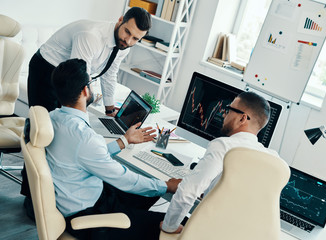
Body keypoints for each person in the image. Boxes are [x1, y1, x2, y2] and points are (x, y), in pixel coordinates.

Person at [21, 6, 151, 211]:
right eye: (127, 32)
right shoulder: (91, 37)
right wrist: (86, 134)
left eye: (136, 39)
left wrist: (110, 110)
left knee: (62, 136)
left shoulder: (123, 45)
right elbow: (80, 77)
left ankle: (56, 193)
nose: (129, 41)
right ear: (120, 20)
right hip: (46, 69)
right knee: (42, 133)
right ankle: (33, 199)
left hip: (69, 75)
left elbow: (110, 73)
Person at [46, 58, 180, 239]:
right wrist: (167, 185)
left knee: (150, 193)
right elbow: (125, 180)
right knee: (172, 223)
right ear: (86, 90)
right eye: (91, 83)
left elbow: (84, 155)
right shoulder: (85, 138)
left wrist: (124, 141)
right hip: (88, 215)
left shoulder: (52, 118)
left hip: (72, 197)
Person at [160, 91, 283, 233]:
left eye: (229, 110)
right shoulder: (273, 159)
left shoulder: (223, 146)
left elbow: (187, 192)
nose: (224, 115)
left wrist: (169, 227)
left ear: (242, 118)